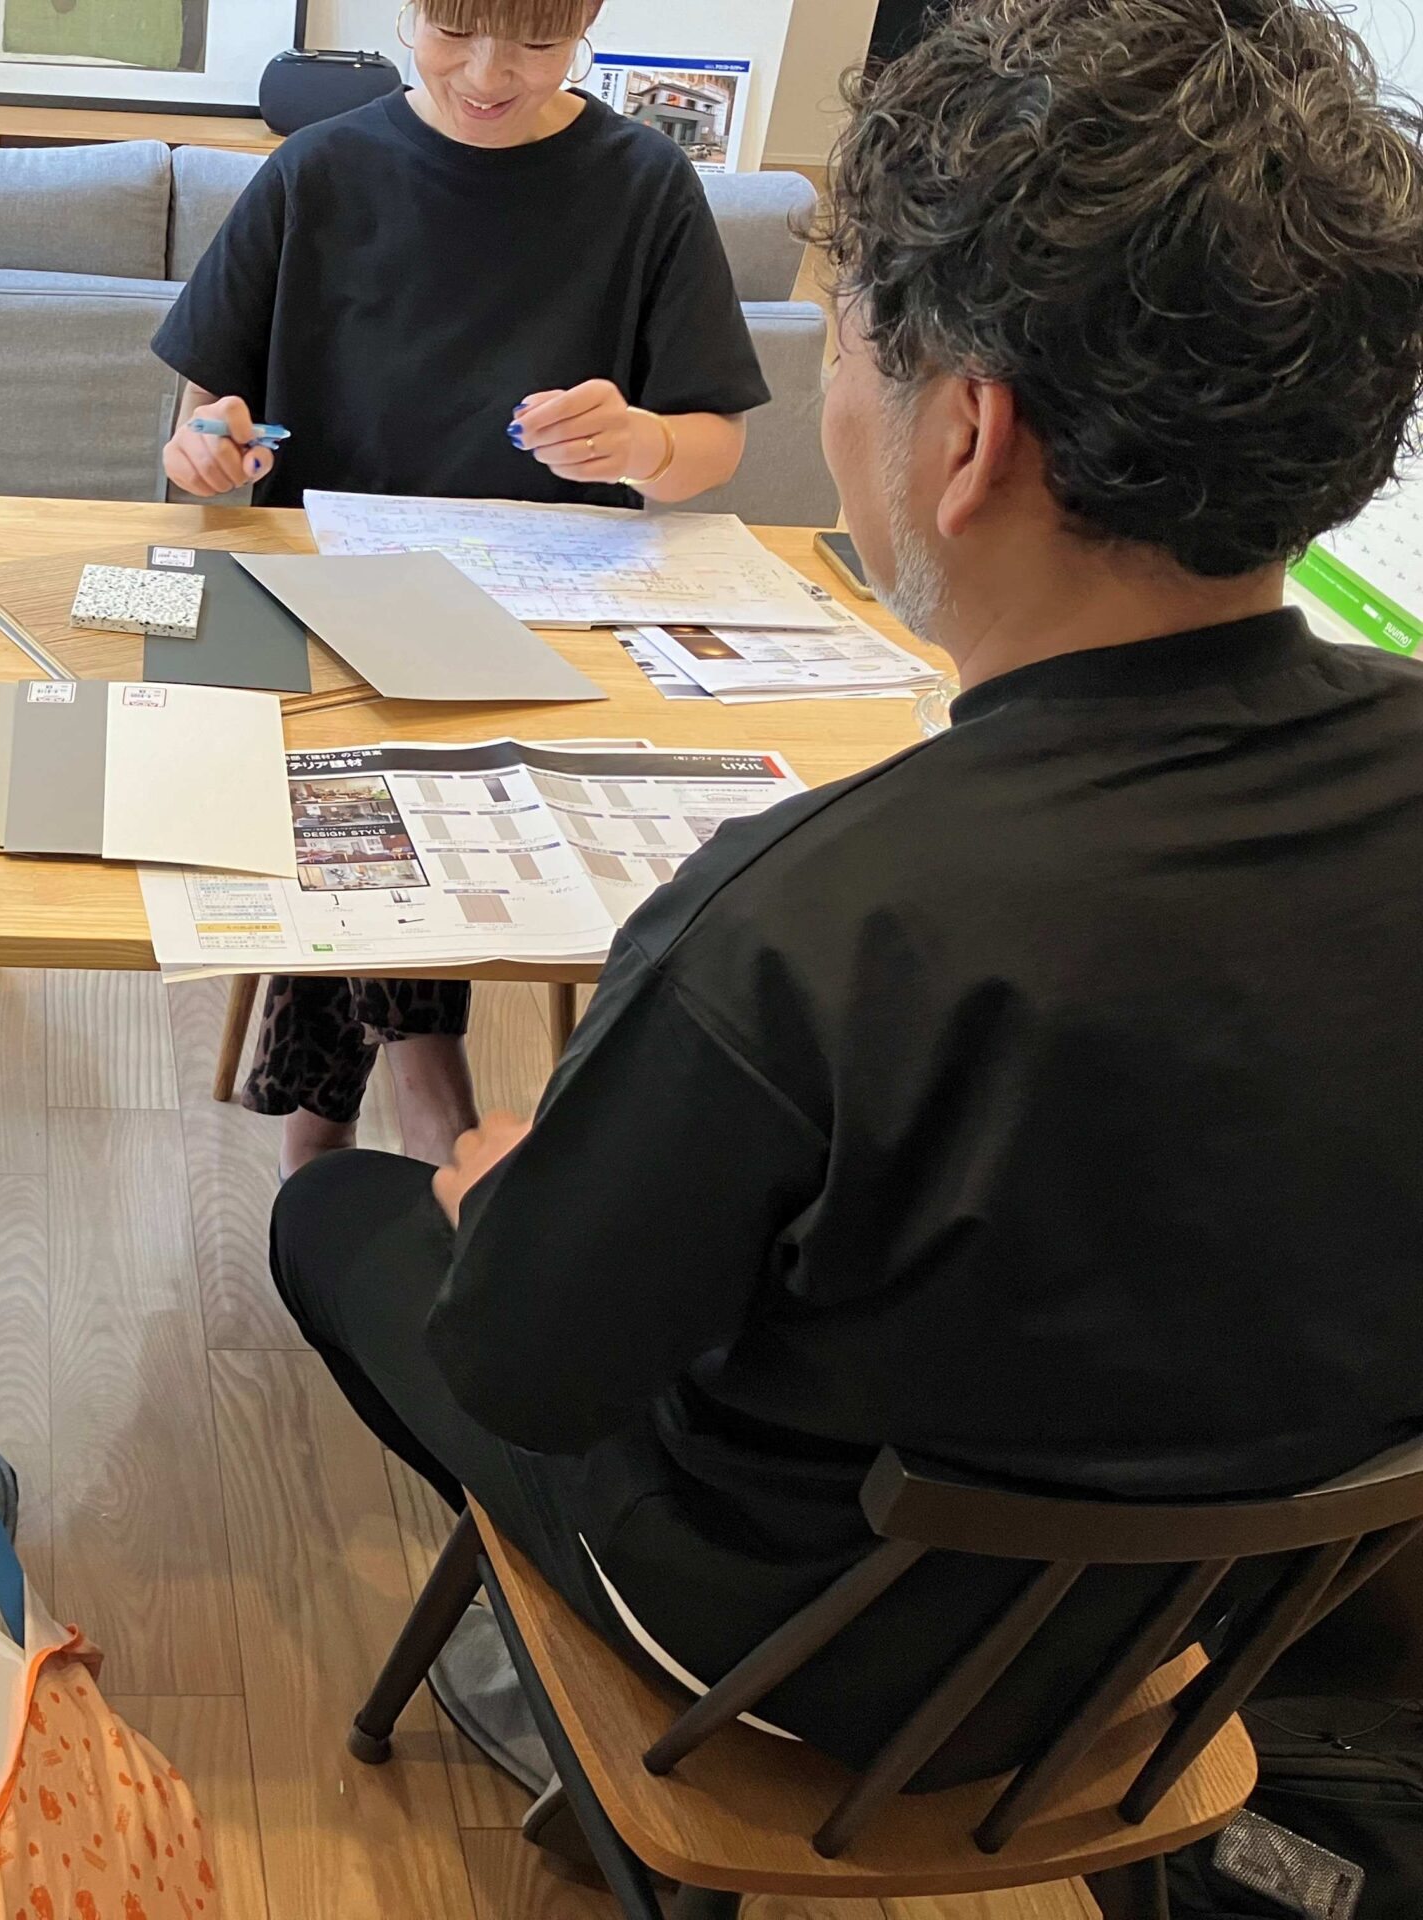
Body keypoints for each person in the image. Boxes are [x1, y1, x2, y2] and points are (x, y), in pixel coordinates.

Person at [269, 0, 1423, 1783]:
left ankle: (557, 1667)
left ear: (967, 436)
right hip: (1212, 1634)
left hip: (817, 1653)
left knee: (344, 1219)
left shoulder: (809, 921)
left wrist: (505, 1204)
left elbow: (523, 1369)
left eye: (855, 345)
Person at [151, 0, 770, 1175]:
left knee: (388, 762)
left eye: (534, 43)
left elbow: (713, 443)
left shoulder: (643, 186)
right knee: (371, 747)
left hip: (540, 624)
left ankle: (327, 1113)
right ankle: (419, 1067)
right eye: (454, 31)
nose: (489, 74)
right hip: (323, 609)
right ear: (409, 12)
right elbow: (199, 430)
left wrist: (642, 442)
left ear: (585, 22)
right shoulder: (317, 174)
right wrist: (207, 453)